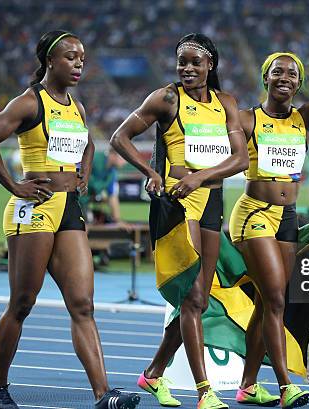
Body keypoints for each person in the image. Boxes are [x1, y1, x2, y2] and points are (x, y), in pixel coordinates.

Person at [0, 30, 140, 409]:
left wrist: (84, 169)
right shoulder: (29, 102)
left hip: (68, 208)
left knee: (82, 304)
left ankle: (103, 395)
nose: (79, 63)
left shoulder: (76, 107)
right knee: (22, 302)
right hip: (35, 207)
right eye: (70, 57)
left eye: (82, 57)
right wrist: (15, 186)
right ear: (50, 61)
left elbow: (89, 141)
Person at [110, 33, 248, 409]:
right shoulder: (166, 98)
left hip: (211, 200)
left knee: (199, 301)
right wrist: (149, 172)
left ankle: (153, 374)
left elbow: (241, 160)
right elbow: (120, 137)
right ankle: (205, 391)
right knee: (193, 297)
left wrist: (201, 178)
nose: (187, 68)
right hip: (177, 203)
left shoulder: (226, 103)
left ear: (210, 66)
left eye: (195, 62)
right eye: (181, 62)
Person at [227, 11, 309, 409]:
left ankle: (248, 385)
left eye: (292, 75)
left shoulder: (303, 120)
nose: (285, 79)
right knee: (277, 300)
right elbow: (226, 156)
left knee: (270, 300)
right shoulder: (249, 119)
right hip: (253, 214)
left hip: (287, 218)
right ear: (265, 78)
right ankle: (285, 385)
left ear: (299, 83)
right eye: (277, 73)